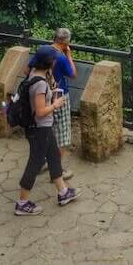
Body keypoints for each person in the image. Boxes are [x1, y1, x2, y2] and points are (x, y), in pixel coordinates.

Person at [16, 45, 79, 215]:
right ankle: (22, 202)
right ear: (49, 63)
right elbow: (40, 112)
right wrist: (55, 104)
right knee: (35, 164)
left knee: (53, 158)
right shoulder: (40, 84)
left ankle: (63, 192)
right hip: (39, 129)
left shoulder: (35, 75)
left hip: (43, 128)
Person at [50, 28, 76, 180]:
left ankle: (44, 162)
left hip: (44, 95)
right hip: (59, 97)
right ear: (66, 42)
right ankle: (57, 171)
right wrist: (69, 55)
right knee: (62, 134)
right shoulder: (60, 57)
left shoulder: (43, 50)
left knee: (47, 132)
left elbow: (27, 71)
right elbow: (73, 74)